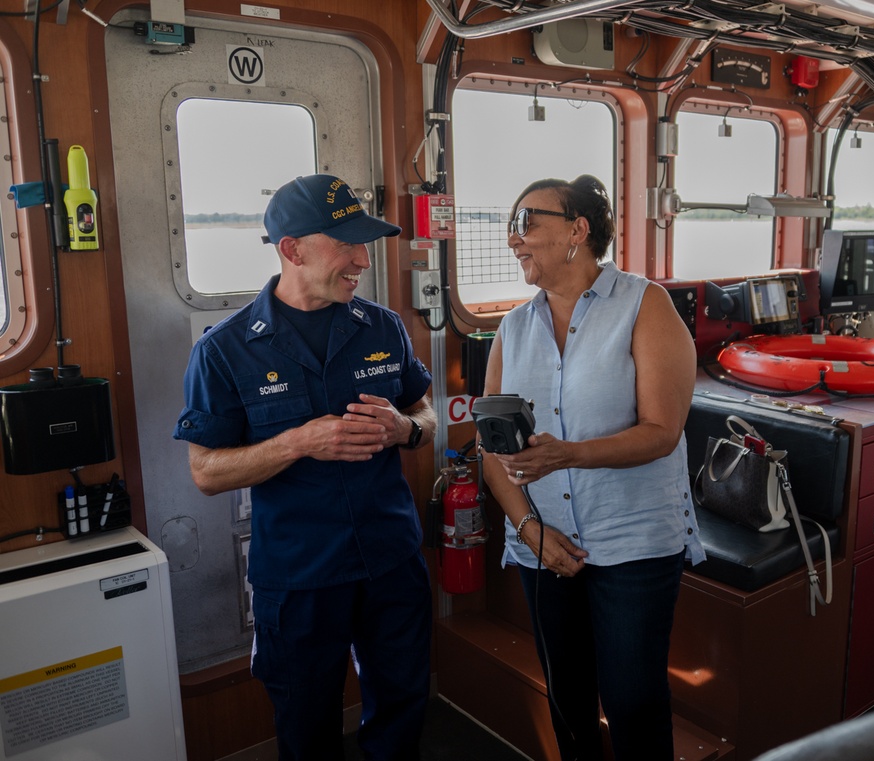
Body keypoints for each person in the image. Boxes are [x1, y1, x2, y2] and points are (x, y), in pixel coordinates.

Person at [173, 174, 437, 761]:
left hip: (391, 560)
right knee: (306, 727)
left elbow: (426, 412)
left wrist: (406, 428)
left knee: (402, 712)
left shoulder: (384, 328)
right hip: (298, 577)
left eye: (364, 244)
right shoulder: (223, 350)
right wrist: (296, 442)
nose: (362, 260)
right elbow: (207, 472)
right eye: (346, 244)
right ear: (292, 249)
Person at [479, 175, 705, 761]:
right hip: (544, 541)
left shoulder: (643, 303)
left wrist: (569, 453)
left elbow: (662, 432)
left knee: (632, 701)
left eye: (527, 221)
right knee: (568, 696)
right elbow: (490, 450)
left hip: (631, 538)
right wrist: (531, 532)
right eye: (511, 226)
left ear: (578, 229)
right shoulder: (512, 327)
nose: (514, 239)